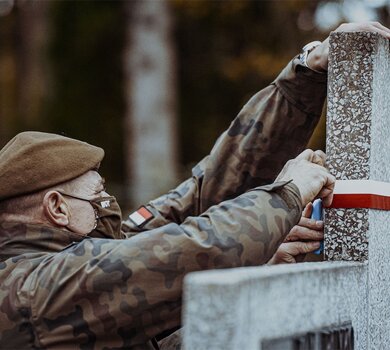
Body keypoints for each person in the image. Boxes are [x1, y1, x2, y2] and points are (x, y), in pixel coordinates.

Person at [0, 22, 389, 350]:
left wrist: (306, 73)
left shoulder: (81, 256)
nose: (108, 202)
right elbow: (192, 248)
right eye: (97, 193)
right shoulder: (32, 292)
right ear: (57, 207)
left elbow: (203, 196)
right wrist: (287, 193)